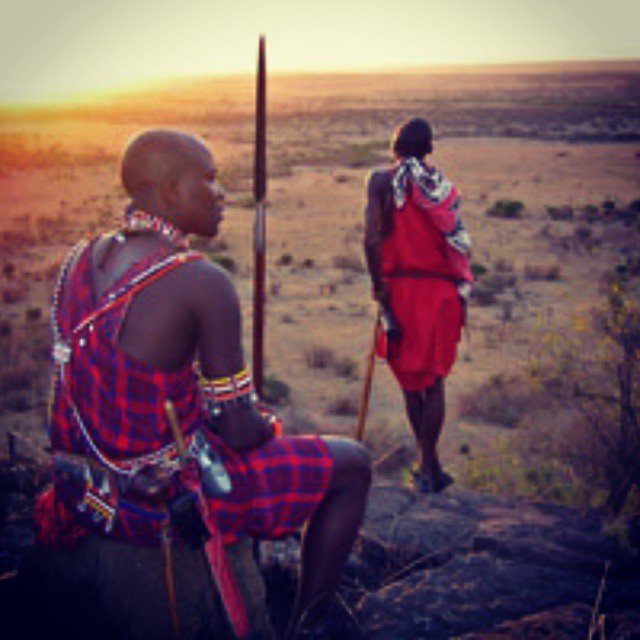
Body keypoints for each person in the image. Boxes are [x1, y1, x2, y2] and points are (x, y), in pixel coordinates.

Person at [31, 129, 371, 639]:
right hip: (167, 501)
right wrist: (263, 422)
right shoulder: (198, 280)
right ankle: (309, 626)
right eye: (208, 180)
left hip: (90, 492)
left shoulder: (80, 258)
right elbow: (236, 429)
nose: (221, 193)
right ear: (169, 191)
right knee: (354, 465)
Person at [364, 117, 473, 494]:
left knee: (413, 385)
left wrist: (379, 290)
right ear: (429, 148)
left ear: (395, 147)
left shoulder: (381, 182)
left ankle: (427, 467)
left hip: (403, 293)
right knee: (435, 381)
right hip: (442, 295)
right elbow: (457, 247)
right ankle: (431, 466)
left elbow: (372, 240)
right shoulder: (442, 188)